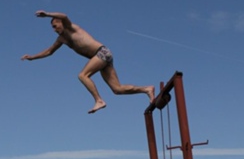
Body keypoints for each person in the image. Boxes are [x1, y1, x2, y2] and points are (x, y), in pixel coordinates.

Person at [21, 10, 155, 114]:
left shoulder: (71, 27)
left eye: (55, 26)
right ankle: (146, 89)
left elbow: (64, 15)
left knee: (82, 75)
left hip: (101, 53)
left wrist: (47, 14)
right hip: (102, 57)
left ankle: (99, 100)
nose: (55, 30)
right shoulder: (62, 39)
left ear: (60, 22)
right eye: (53, 28)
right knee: (117, 89)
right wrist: (32, 57)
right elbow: (49, 52)